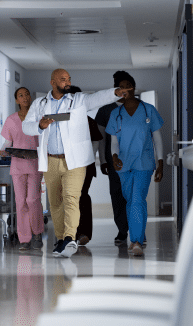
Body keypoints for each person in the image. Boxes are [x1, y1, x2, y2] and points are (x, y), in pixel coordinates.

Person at [22, 68, 131, 258]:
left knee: (72, 198)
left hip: (75, 161)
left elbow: (97, 98)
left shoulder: (78, 100)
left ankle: (69, 238)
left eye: (69, 79)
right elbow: (26, 126)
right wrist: (39, 125)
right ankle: (60, 239)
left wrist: (115, 93)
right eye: (63, 79)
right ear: (53, 82)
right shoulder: (40, 103)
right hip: (50, 160)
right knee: (56, 202)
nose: (67, 82)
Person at [105, 71, 164, 256]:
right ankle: (138, 234)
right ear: (117, 90)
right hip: (123, 164)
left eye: (128, 85)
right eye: (121, 87)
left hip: (144, 162)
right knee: (131, 201)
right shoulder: (115, 114)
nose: (125, 90)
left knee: (138, 199)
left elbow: (157, 139)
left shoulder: (149, 110)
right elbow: (114, 142)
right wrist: (114, 157)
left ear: (134, 87)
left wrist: (160, 162)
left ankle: (136, 240)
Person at [0, 87, 44, 251]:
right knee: (20, 202)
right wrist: (4, 150)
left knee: (32, 199)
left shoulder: (38, 118)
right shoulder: (11, 120)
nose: (24, 97)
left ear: (30, 97)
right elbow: (7, 143)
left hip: (35, 164)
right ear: (17, 100)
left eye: (27, 94)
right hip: (17, 165)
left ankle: (37, 232)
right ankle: (24, 238)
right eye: (20, 95)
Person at [67, 85, 103, 246]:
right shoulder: (59, 120)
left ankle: (83, 233)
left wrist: (87, 158)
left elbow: (96, 141)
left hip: (84, 166)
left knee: (81, 196)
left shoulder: (89, 121)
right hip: (64, 165)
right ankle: (68, 233)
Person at [95, 81, 128, 246]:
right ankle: (122, 230)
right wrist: (102, 160)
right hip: (113, 160)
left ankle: (138, 230)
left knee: (135, 195)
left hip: (135, 160)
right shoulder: (105, 110)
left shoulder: (138, 107)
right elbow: (100, 138)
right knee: (117, 194)